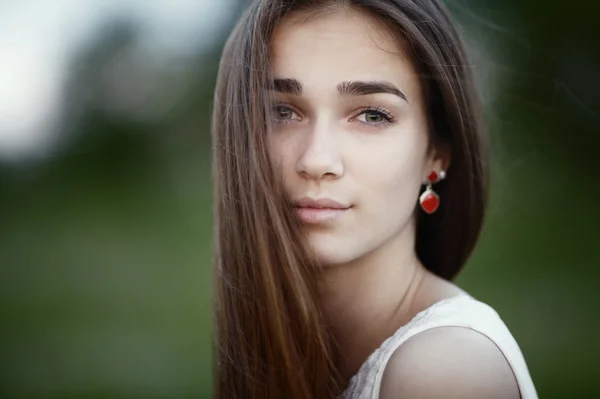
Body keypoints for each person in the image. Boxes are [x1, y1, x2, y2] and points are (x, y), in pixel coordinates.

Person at [210, 0, 538, 398]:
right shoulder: (274, 341)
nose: (317, 160)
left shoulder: (446, 370)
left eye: (371, 115)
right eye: (281, 111)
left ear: (436, 153)